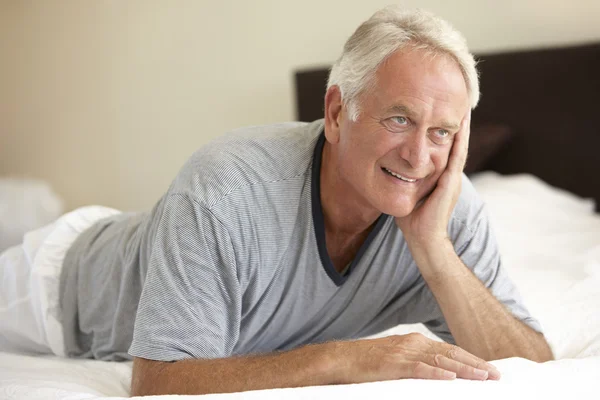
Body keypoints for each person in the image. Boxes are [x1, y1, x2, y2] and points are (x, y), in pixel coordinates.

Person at [0, 5, 553, 396]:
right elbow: (157, 381)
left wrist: (434, 251)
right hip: (60, 286)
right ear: (337, 113)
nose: (417, 156)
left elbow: (534, 366)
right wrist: (344, 359)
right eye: (399, 119)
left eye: (441, 133)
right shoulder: (227, 187)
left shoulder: (450, 211)